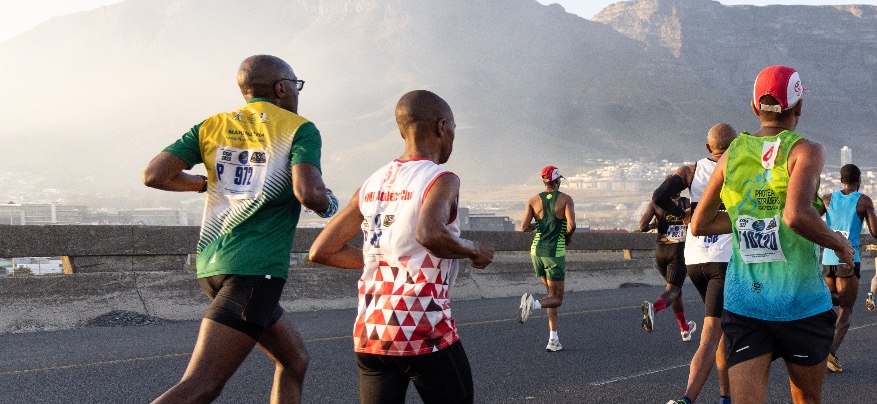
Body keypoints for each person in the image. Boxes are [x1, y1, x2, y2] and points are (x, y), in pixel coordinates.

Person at [141, 55, 335, 404]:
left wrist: (202, 184)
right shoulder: (297, 128)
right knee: (202, 385)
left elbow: (155, 175)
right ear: (281, 88)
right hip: (255, 272)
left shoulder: (211, 126)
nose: (297, 93)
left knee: (294, 360)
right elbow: (309, 192)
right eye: (295, 85)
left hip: (213, 267)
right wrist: (329, 204)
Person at [308, 91, 495, 404]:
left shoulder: (371, 183)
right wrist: (474, 249)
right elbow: (429, 233)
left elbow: (322, 250)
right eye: (453, 129)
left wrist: (383, 262)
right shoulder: (441, 178)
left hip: (371, 331)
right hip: (421, 325)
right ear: (442, 127)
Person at [690, 65, 855, 404]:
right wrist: (840, 244)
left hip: (746, 304)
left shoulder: (731, 154)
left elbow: (700, 224)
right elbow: (796, 215)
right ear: (799, 108)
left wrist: (748, 215)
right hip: (803, 302)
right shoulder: (806, 151)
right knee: (807, 399)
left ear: (754, 108)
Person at [664, 123, 738, 404]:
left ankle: (725, 398)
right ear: (734, 147)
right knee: (711, 334)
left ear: (709, 147)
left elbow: (659, 197)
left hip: (695, 260)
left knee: (719, 332)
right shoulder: (737, 169)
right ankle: (686, 399)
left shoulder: (690, 171)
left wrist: (685, 217)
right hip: (723, 260)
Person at [820, 164, 877, 373]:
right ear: (859, 180)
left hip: (828, 259)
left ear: (840, 179)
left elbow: (810, 218)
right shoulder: (863, 201)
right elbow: (875, 232)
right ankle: (830, 353)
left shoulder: (827, 199)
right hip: (848, 259)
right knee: (846, 309)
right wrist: (868, 213)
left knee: (829, 300)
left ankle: (816, 344)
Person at [517, 166, 576, 352]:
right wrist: (566, 235)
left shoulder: (533, 201)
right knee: (557, 298)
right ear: (557, 181)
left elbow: (524, 227)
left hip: (536, 251)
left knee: (550, 296)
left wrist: (540, 223)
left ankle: (553, 339)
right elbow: (572, 226)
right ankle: (532, 304)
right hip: (554, 253)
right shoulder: (565, 199)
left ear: (544, 182)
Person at [639, 195, 698, 342]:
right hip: (677, 252)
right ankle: (654, 308)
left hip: (661, 252)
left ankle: (684, 329)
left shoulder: (655, 204)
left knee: (675, 290)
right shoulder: (686, 202)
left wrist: (654, 226)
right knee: (673, 290)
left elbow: (642, 226)